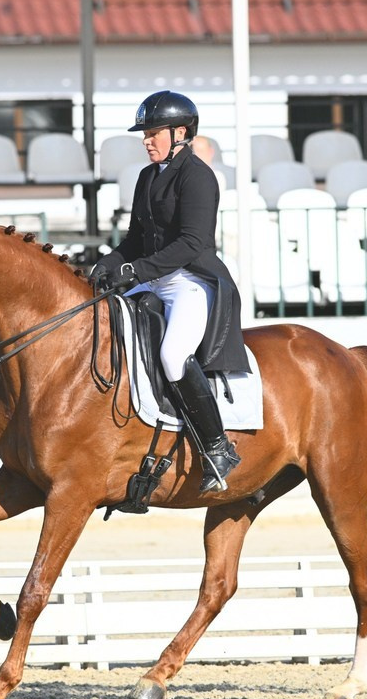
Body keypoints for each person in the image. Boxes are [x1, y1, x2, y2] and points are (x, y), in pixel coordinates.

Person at [89, 90, 250, 493]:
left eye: (154, 132)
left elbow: (192, 243)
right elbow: (135, 238)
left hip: (190, 281)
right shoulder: (147, 176)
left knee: (173, 355)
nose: (147, 140)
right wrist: (106, 265)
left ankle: (217, 448)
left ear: (181, 132)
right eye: (145, 133)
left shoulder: (198, 177)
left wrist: (136, 269)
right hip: (153, 277)